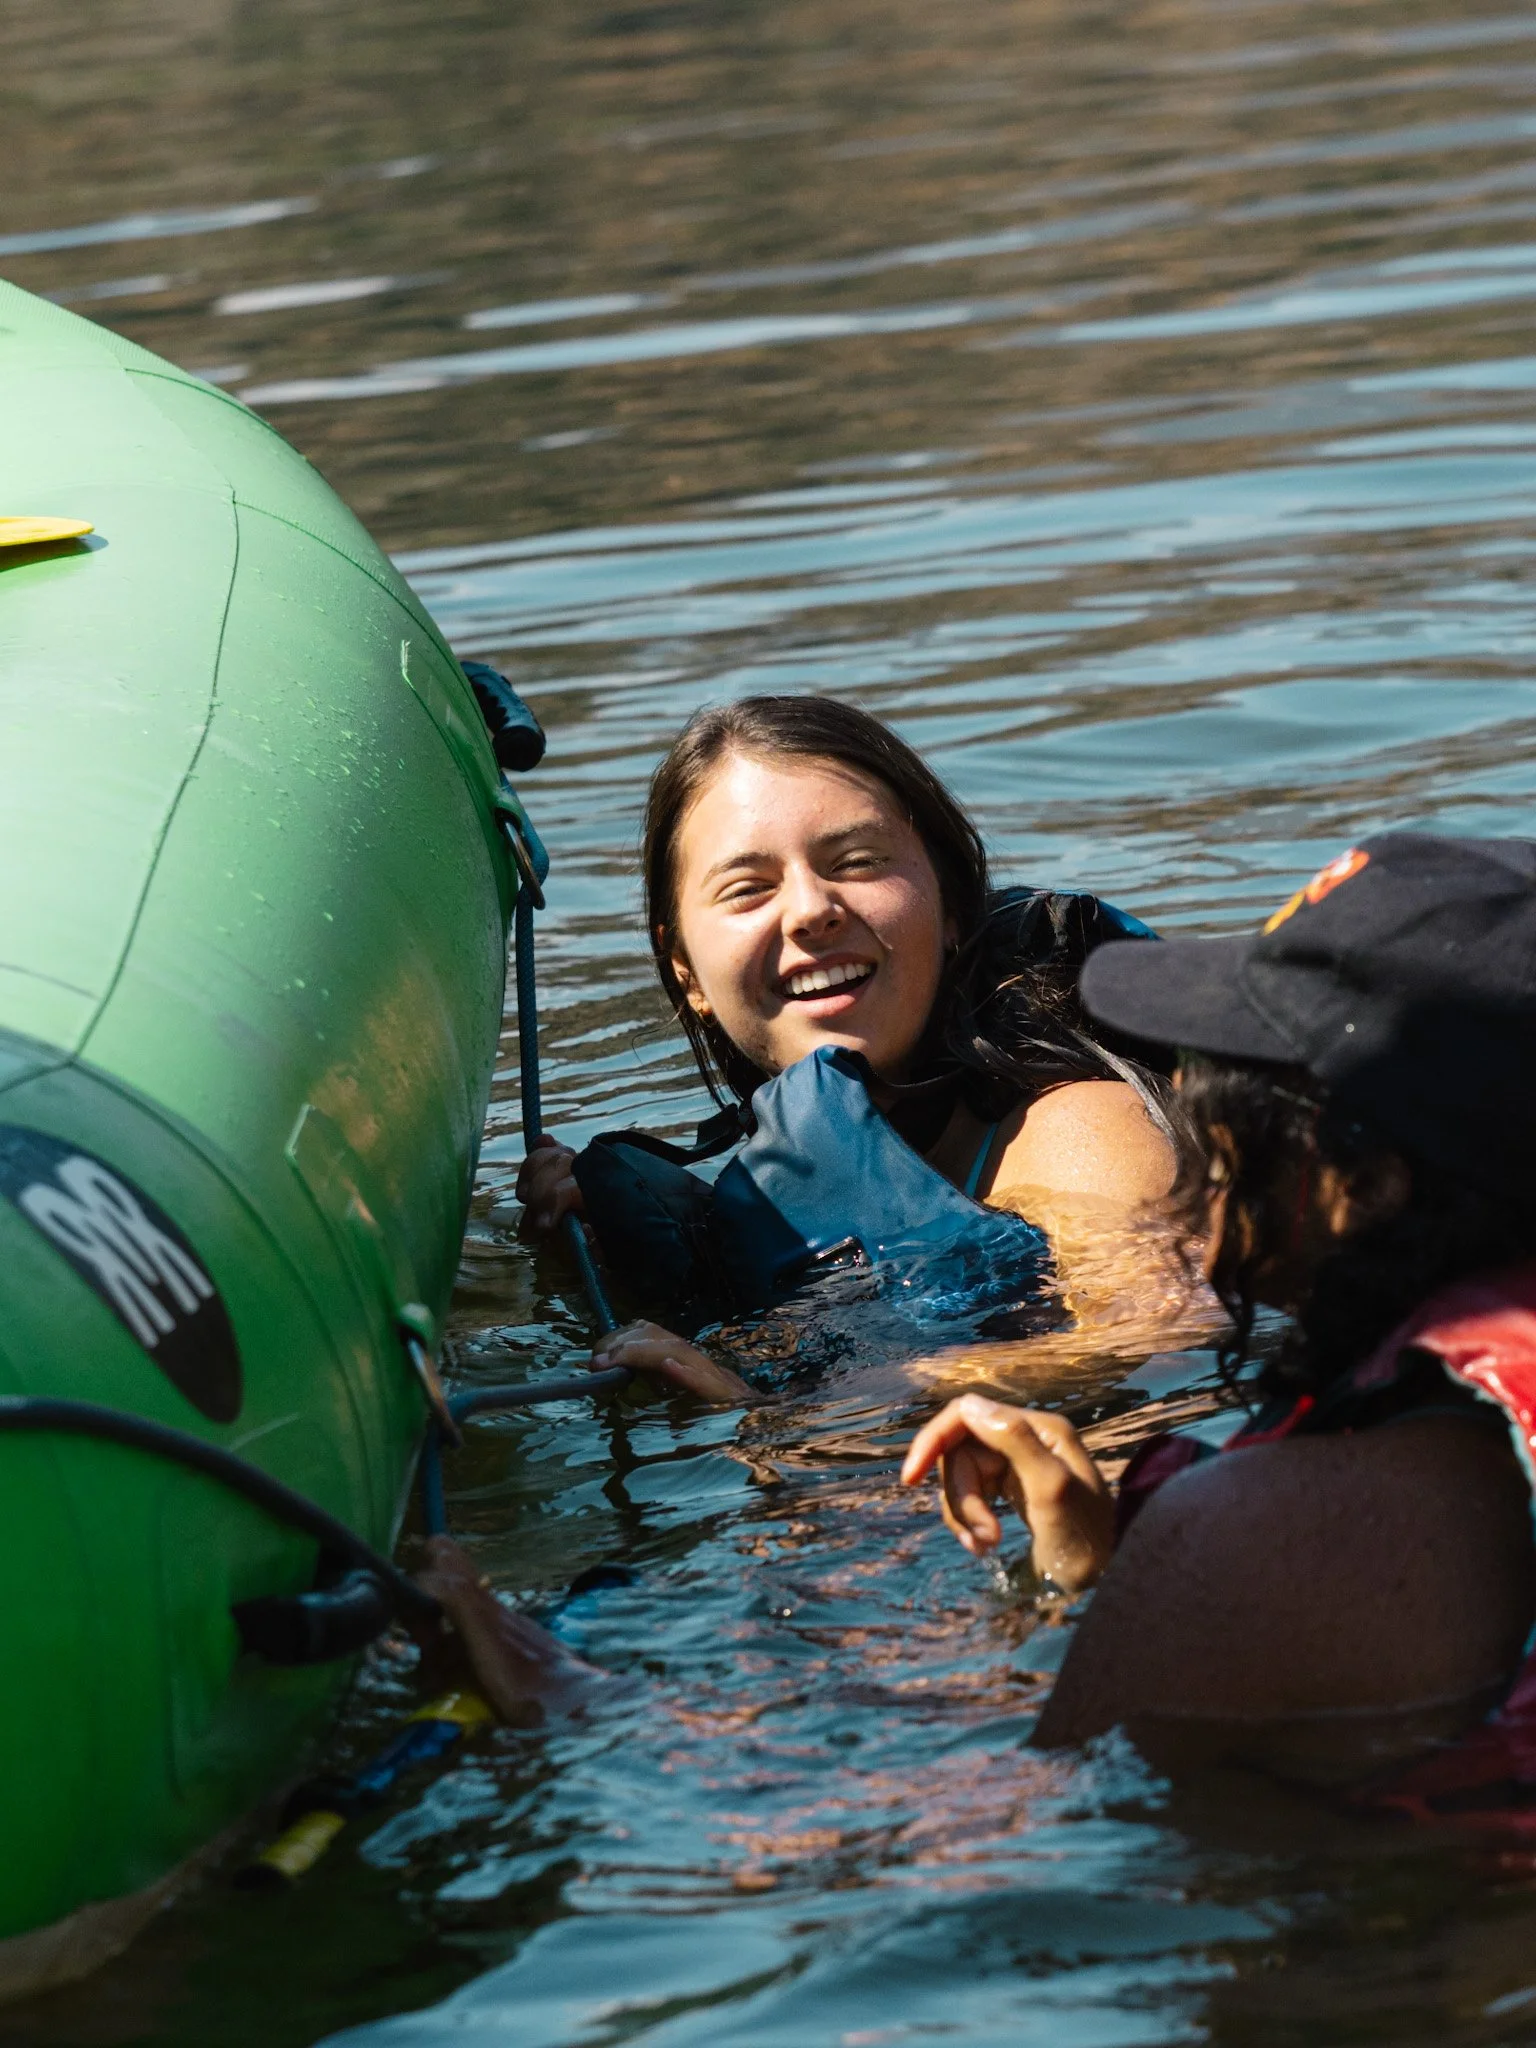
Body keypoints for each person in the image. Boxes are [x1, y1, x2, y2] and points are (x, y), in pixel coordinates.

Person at [903, 833, 1536, 1793]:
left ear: (1362, 1186)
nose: (1190, 1105)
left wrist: (1063, 1585)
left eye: (1243, 1075)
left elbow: (1058, 1832)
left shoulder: (1248, 1537)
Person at [517, 695, 1191, 1400]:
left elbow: (1158, 1340)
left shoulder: (1078, 1129)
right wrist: (588, 1255)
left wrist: (788, 1414)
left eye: (859, 861)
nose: (811, 910)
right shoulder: (774, 1183)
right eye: (748, 889)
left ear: (954, 908)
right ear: (686, 972)